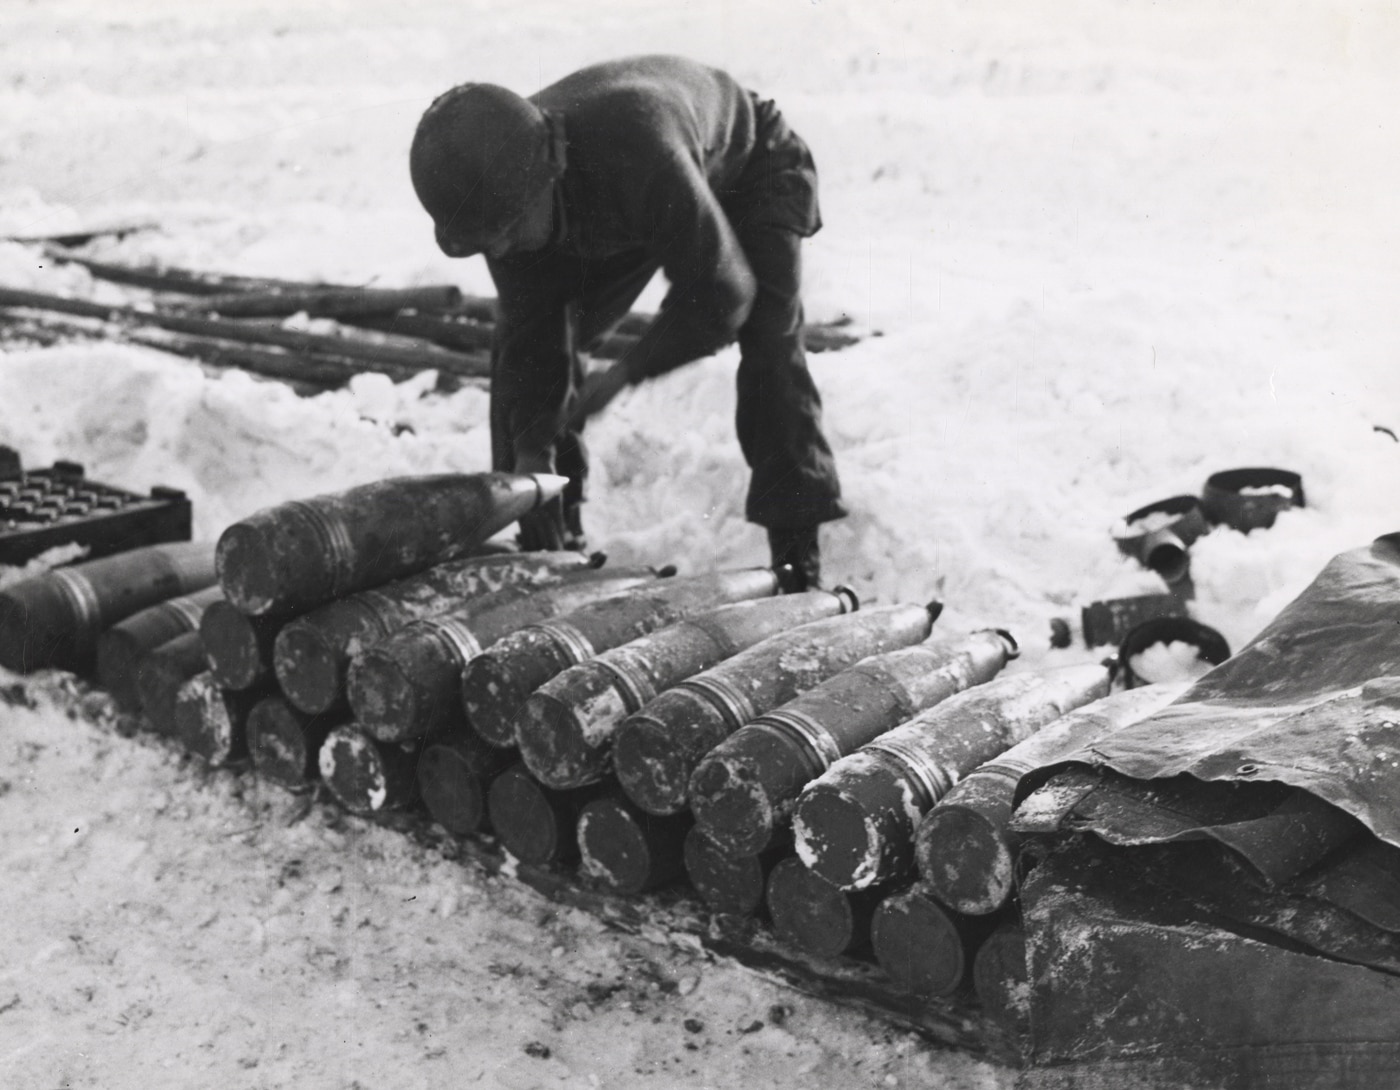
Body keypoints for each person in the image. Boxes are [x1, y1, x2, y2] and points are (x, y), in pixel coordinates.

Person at [409, 54, 845, 589]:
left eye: (503, 230)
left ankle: (798, 563)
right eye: (484, 240)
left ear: (549, 173)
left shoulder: (640, 151)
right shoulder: (501, 194)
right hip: (621, 200)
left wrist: (625, 373)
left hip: (748, 168)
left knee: (770, 346)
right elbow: (533, 336)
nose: (497, 249)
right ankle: (550, 542)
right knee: (523, 365)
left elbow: (723, 294)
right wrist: (529, 452)